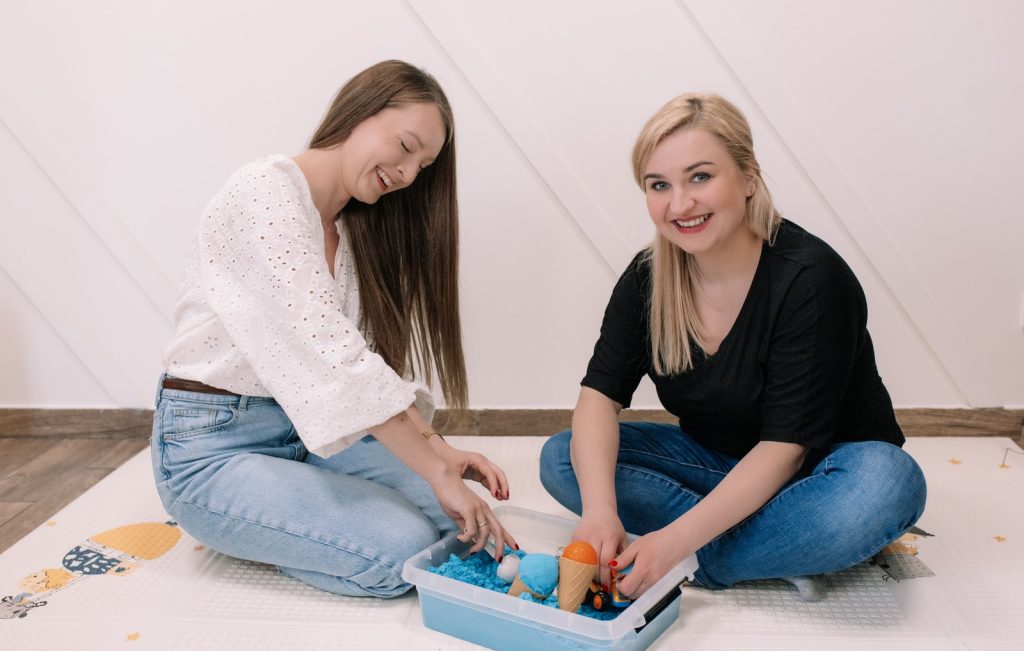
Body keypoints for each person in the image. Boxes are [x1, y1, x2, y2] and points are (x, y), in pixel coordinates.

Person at [539, 93, 926, 601]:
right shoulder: (648, 277)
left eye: (700, 177)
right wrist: (599, 513)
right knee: (562, 457)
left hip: (823, 473)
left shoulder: (810, 278)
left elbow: (786, 450)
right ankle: (780, 548)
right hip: (719, 466)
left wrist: (675, 543)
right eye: (659, 185)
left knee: (889, 483)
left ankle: (707, 559)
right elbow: (598, 396)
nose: (680, 204)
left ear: (748, 178)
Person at [151, 60, 516, 598]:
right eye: (405, 146)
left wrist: (439, 452)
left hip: (308, 435)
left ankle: (293, 523)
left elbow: (365, 368)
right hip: (211, 448)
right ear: (360, 111)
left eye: (423, 165)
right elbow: (338, 362)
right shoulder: (264, 192)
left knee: (458, 532)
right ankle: (265, 533)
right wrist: (436, 472)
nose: (408, 174)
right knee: (401, 554)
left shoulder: (350, 229)